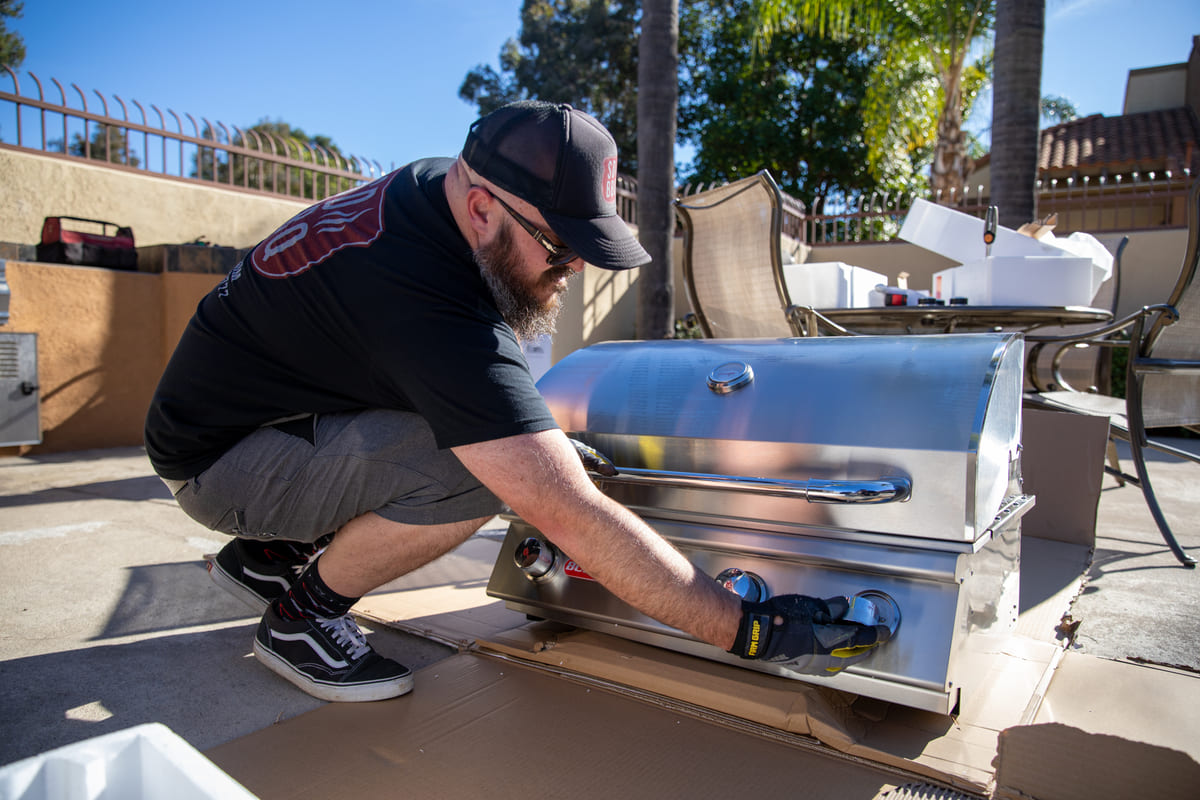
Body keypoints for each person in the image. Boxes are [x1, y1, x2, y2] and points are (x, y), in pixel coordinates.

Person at [144, 101, 889, 703]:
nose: (571, 268)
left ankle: (271, 556)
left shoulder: (433, 195)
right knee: (475, 477)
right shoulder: (429, 304)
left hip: (250, 421)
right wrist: (746, 627)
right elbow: (562, 507)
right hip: (221, 464)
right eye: (558, 245)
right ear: (481, 209)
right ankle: (300, 620)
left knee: (501, 446)